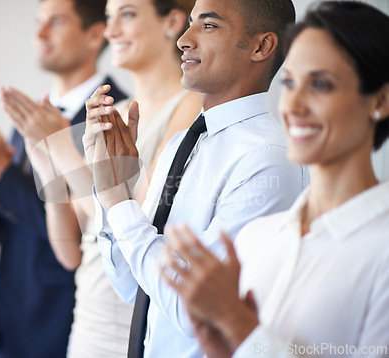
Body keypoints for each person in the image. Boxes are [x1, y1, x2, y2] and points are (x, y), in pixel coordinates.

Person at [162, 2, 389, 357]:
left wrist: (239, 327)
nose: (293, 104)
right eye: (290, 82)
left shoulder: (381, 251)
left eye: (321, 84)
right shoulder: (258, 239)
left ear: (380, 99)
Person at [83, 0, 307, 356]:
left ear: (261, 46)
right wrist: (112, 182)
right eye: (189, 23)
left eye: (209, 25)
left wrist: (118, 201)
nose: (183, 40)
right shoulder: (180, 145)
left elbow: (194, 309)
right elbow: (132, 285)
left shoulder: (269, 160)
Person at [0, 0, 200, 356]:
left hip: (126, 322)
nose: (110, 31)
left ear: (171, 22)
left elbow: (134, 219)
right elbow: (70, 251)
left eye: (127, 14)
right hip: (85, 322)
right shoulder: (116, 111)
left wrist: (62, 147)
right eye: (108, 18)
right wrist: (47, 163)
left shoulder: (189, 107)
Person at [0, 0, 126, 357]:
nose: (39, 33)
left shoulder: (114, 113)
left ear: (94, 35)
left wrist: (2, 175)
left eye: (55, 22)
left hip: (61, 327)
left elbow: (85, 228)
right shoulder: (31, 112)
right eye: (38, 22)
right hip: (10, 325)